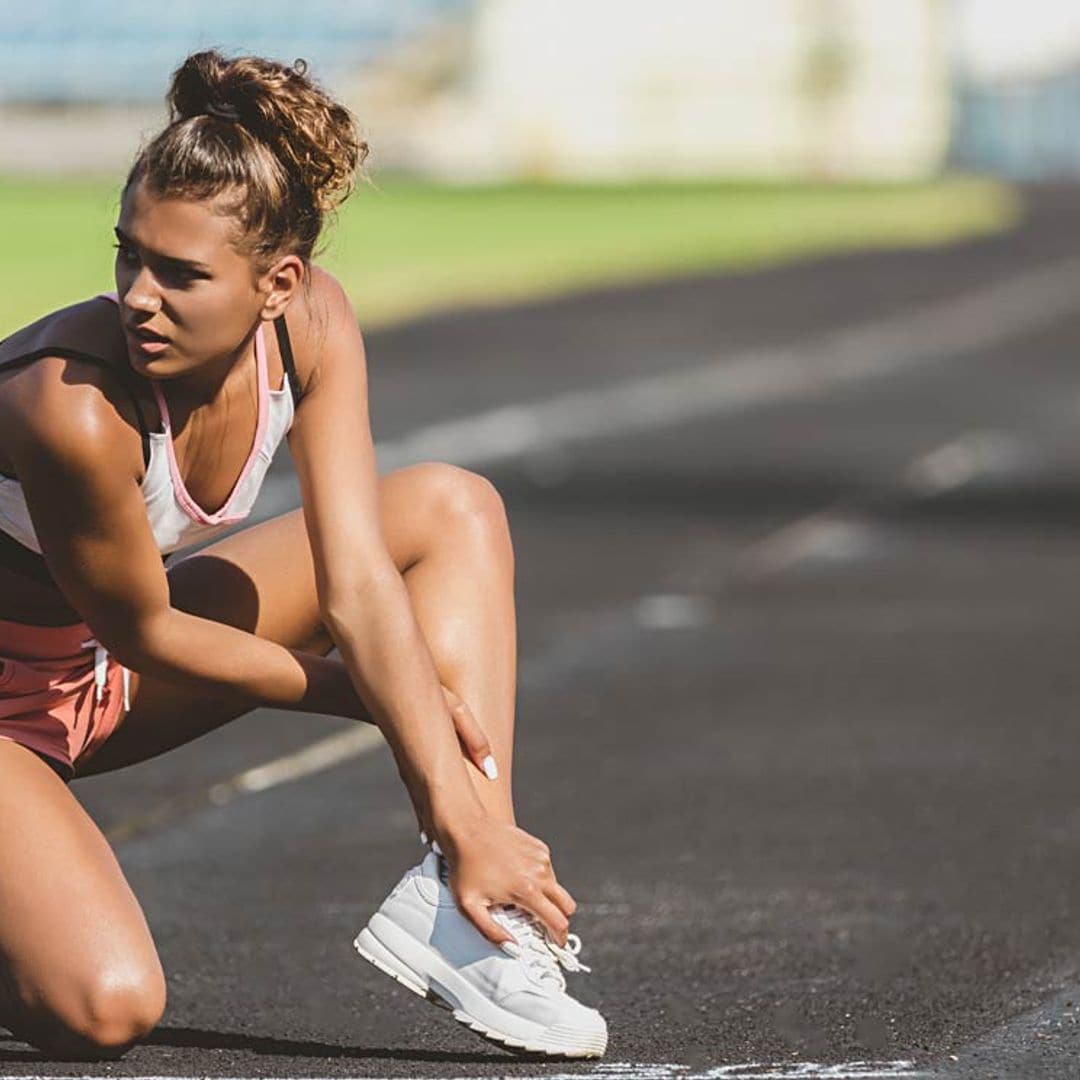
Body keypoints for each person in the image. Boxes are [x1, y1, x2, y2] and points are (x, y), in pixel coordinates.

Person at [0, 49, 606, 1061]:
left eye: (181, 274)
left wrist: (455, 802)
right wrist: (366, 696)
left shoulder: (315, 327)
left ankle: (473, 907)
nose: (139, 297)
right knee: (102, 1008)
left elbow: (359, 576)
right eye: (128, 257)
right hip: (95, 663)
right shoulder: (71, 407)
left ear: (279, 283)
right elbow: (144, 629)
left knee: (452, 507)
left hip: (82, 679)